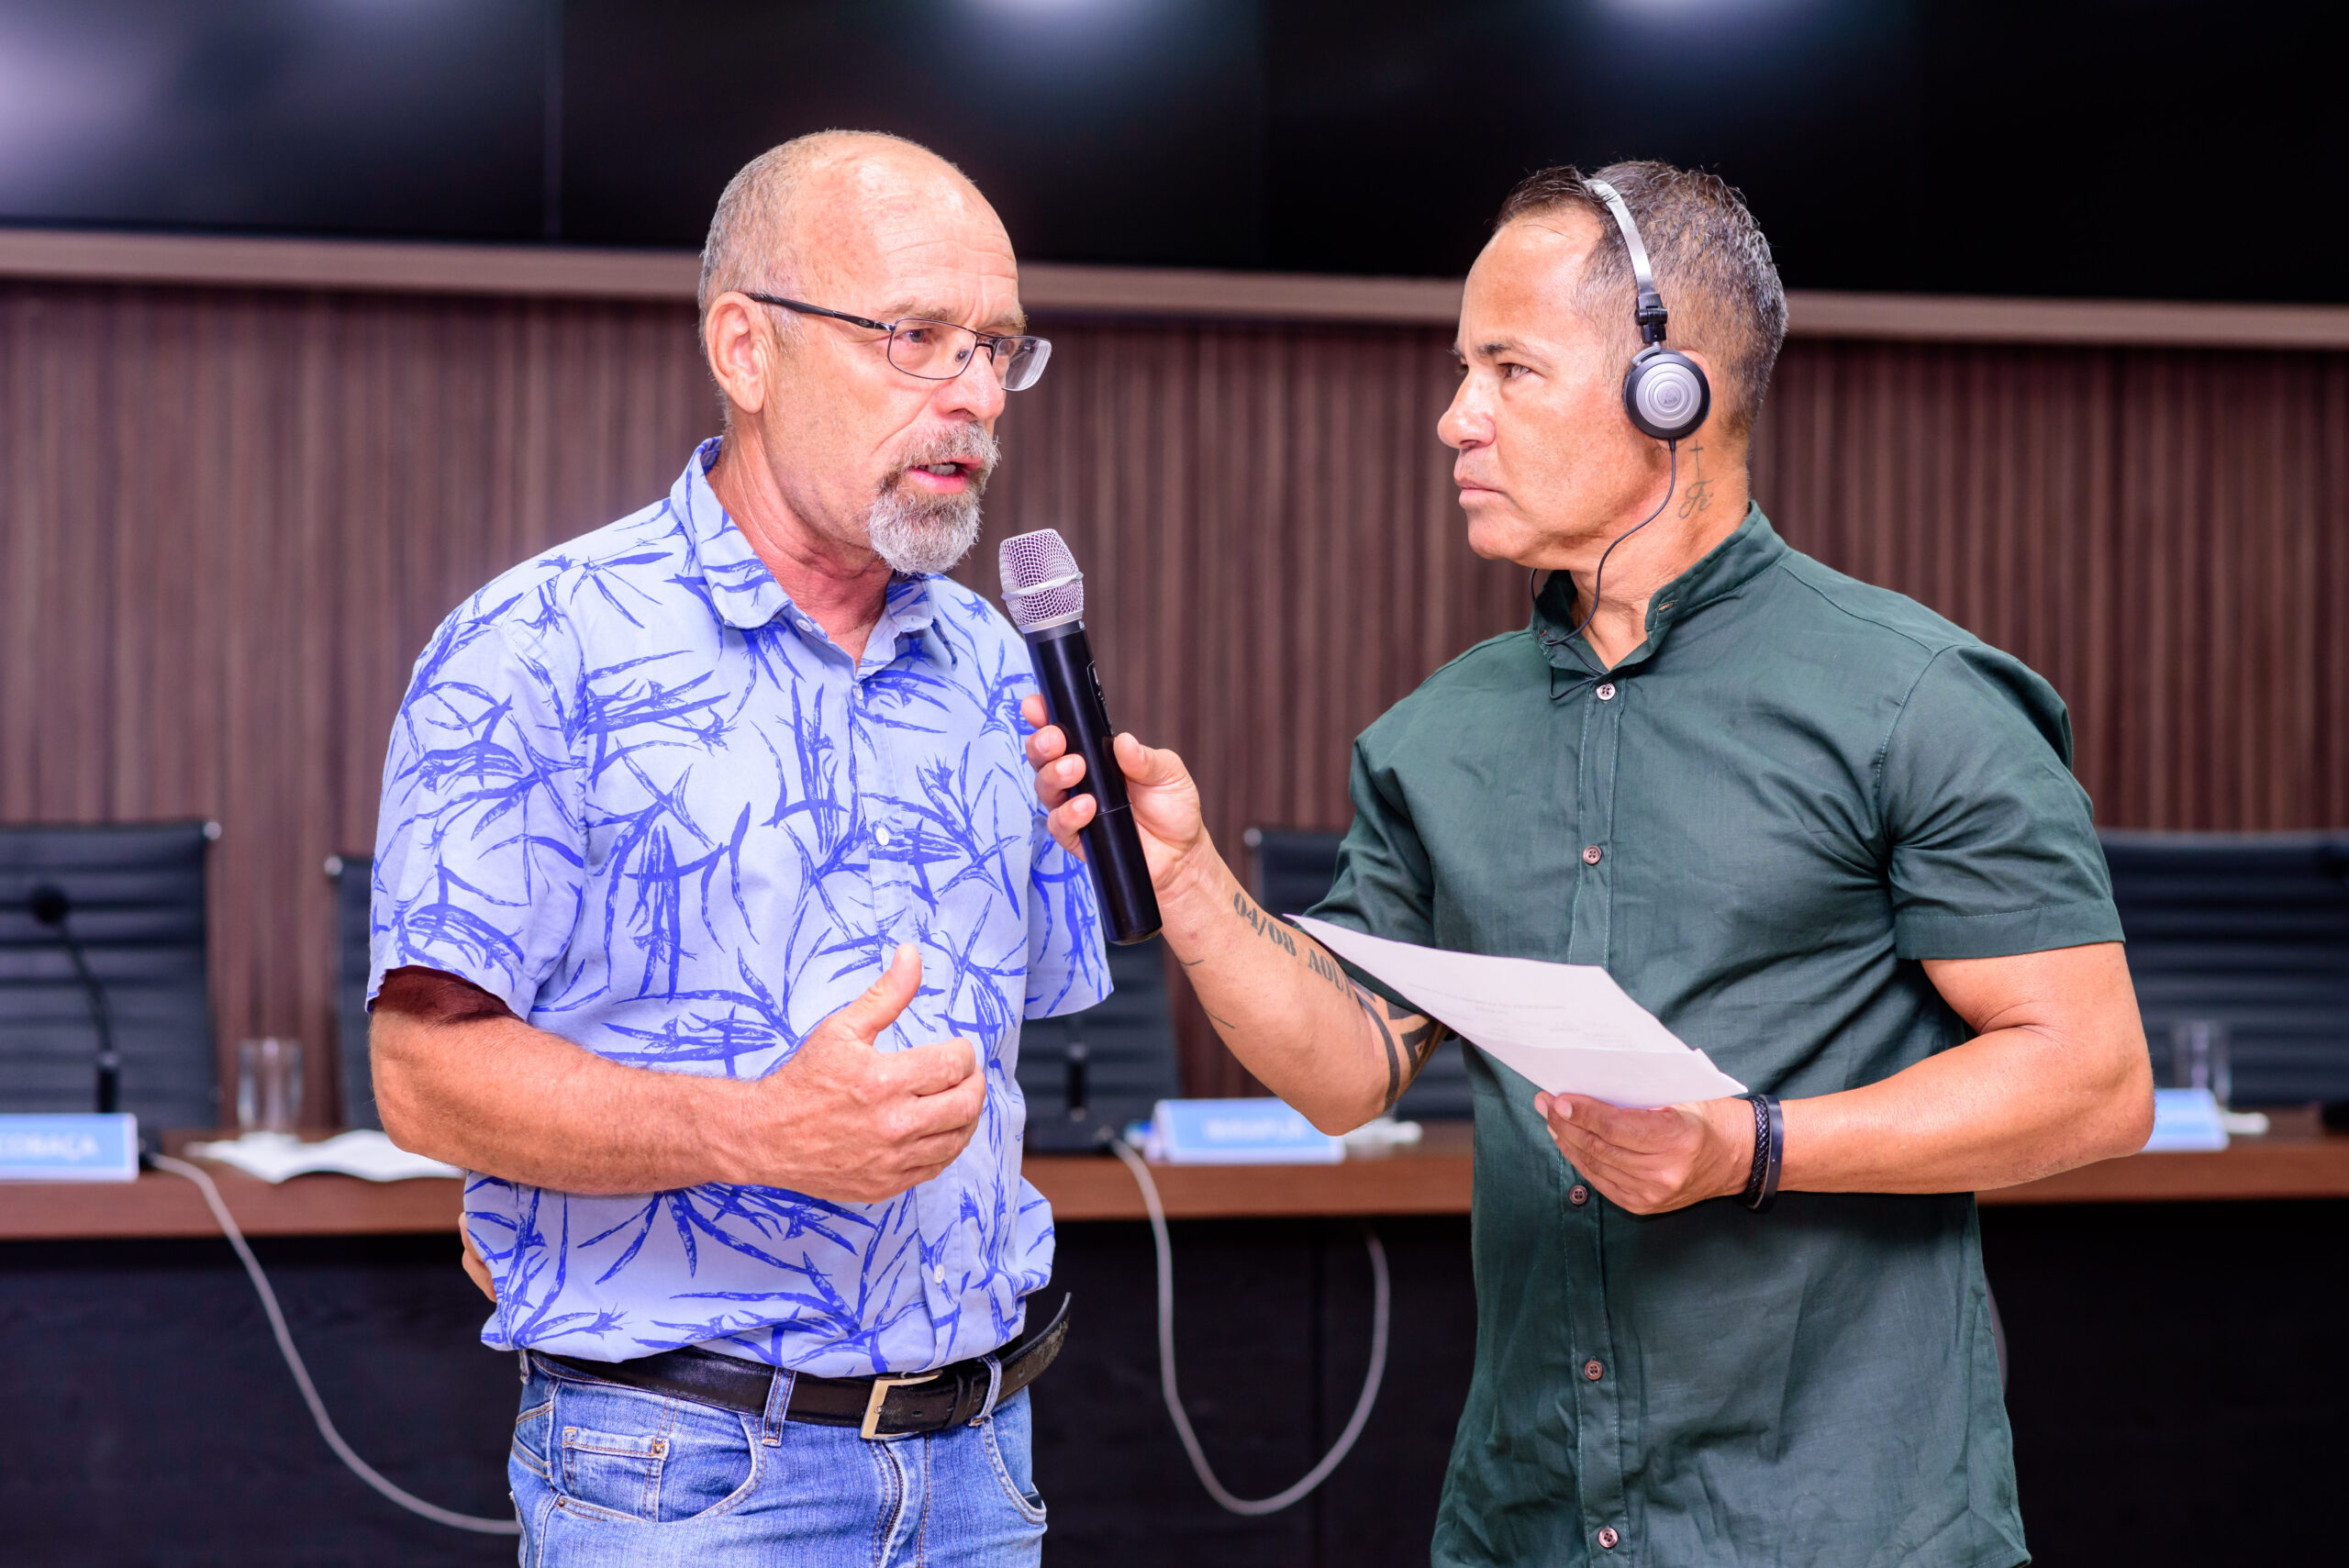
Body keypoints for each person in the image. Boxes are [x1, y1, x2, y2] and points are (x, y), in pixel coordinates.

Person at [1022, 161, 2154, 1567]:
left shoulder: (1917, 697)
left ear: (1673, 389)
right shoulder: (1435, 735)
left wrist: (1751, 1146)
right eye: (1463, 370)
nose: (1457, 416)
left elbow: (2093, 1077)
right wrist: (1191, 882)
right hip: (1532, 1524)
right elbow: (1345, 1072)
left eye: (1509, 368)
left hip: (1841, 1526)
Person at [368, 130, 1106, 1564]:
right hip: (688, 1473)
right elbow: (420, 1071)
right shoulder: (538, 643)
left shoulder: (996, 664)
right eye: (916, 336)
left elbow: (1011, 1061)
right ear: (747, 348)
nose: (972, 393)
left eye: (996, 347)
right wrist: (759, 1131)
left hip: (980, 1464)